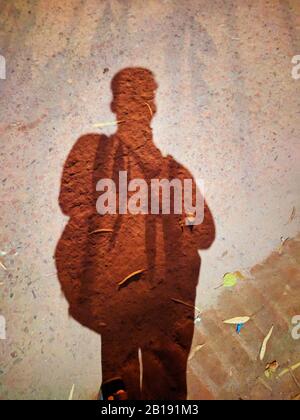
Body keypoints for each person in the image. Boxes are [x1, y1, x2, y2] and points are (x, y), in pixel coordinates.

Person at [55, 68, 215, 400]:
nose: (137, 109)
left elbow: (204, 232)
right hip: (140, 299)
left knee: (151, 386)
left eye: (140, 100)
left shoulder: (174, 173)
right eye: (136, 100)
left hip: (152, 301)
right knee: (144, 385)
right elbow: (204, 232)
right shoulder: (172, 173)